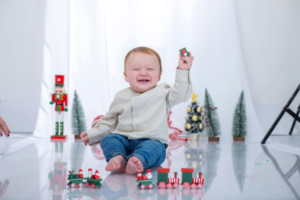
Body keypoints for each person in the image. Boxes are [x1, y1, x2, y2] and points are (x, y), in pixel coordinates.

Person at [81, 47, 194, 175]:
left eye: (150, 69)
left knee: (156, 148)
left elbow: (182, 94)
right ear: (126, 76)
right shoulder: (121, 96)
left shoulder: (164, 93)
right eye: (136, 69)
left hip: (151, 141)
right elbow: (108, 122)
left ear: (159, 75)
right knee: (109, 139)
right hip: (124, 141)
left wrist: (183, 71)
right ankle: (118, 157)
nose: (143, 73)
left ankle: (137, 160)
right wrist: (93, 134)